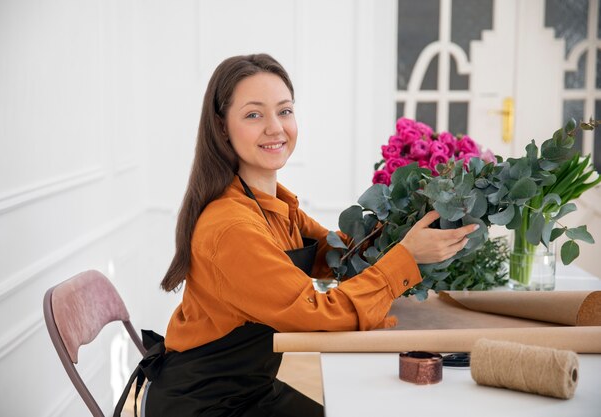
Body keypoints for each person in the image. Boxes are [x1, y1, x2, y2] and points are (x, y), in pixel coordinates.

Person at [120, 53, 477, 417]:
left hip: (250, 388)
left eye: (285, 110)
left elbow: (333, 252)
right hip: (204, 404)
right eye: (254, 114)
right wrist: (407, 257)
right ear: (221, 126)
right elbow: (318, 311)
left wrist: (403, 217)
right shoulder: (231, 227)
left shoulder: (272, 203)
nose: (275, 128)